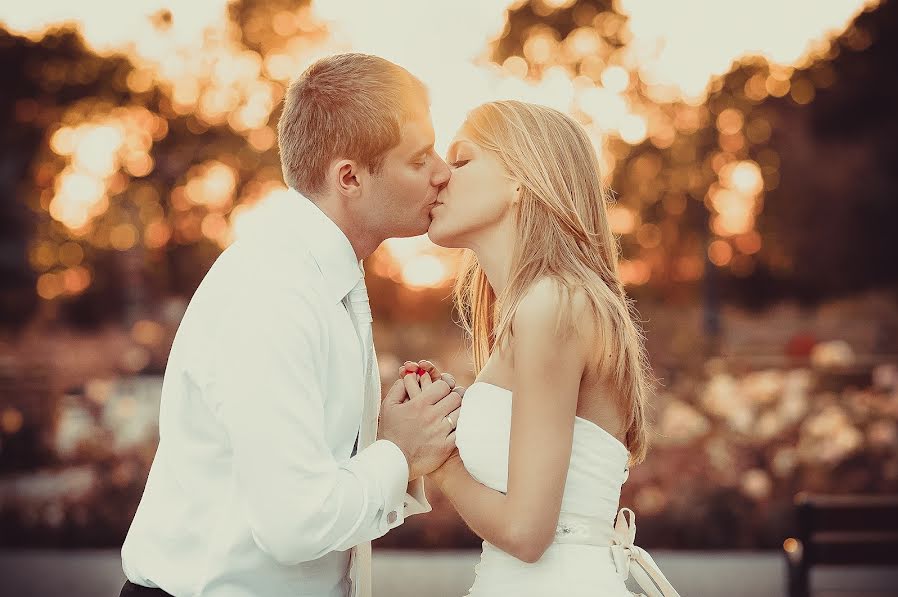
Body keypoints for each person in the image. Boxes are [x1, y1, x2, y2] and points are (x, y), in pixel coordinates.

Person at [119, 53, 463, 597]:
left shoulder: (328, 278)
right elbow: (295, 524)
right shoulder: (274, 293)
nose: (443, 172)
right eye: (420, 159)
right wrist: (395, 452)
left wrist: (386, 440)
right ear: (349, 177)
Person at [405, 100, 681, 596]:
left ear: (521, 179)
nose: (441, 175)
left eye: (462, 159)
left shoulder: (552, 304)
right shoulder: (542, 307)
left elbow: (526, 533)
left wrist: (441, 460)